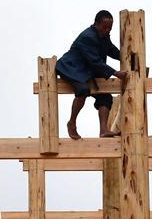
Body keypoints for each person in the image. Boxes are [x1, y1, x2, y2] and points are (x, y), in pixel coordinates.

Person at [55, 10, 129, 139]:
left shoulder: (104, 36)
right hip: (72, 67)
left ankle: (104, 130)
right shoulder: (87, 37)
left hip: (87, 70)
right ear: (96, 24)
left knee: (105, 97)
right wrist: (116, 73)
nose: (107, 30)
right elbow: (95, 62)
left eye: (110, 28)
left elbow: (111, 50)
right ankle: (72, 123)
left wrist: (127, 57)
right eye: (105, 27)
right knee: (83, 89)